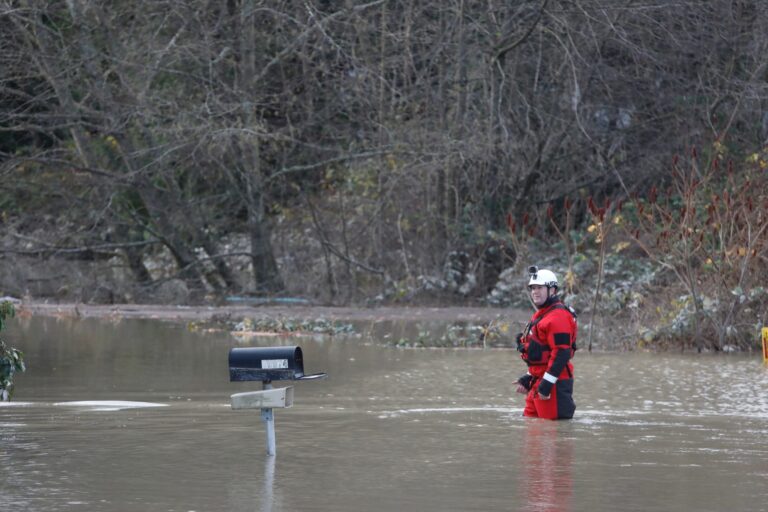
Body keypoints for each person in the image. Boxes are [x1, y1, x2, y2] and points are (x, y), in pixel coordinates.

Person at [515, 266, 577, 420]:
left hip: (553, 385)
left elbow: (561, 353)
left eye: (540, 288)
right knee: (530, 426)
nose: (535, 291)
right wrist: (529, 376)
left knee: (553, 431)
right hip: (539, 381)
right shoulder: (541, 315)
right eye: (533, 288)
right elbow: (541, 352)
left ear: (552, 290)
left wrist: (547, 384)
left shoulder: (558, 316)